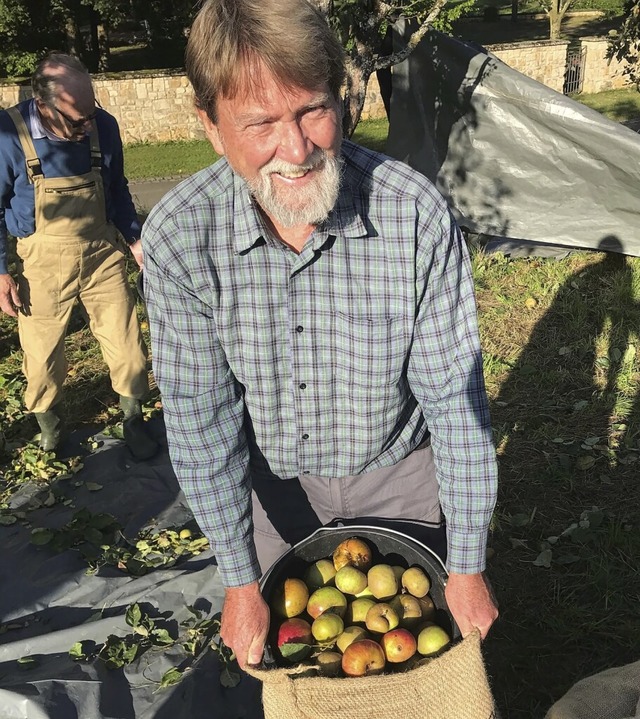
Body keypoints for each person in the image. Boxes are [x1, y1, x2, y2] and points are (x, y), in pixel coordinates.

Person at [142, 0, 499, 671]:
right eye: (260, 124)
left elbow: (455, 400)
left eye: (313, 109)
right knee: (301, 669)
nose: (298, 149)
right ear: (211, 127)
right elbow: (201, 418)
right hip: (272, 489)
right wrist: (241, 579)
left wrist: (468, 562)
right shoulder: (181, 238)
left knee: (415, 680)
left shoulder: (413, 215)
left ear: (343, 95)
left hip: (402, 478)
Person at [0, 52, 158, 460]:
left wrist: (135, 239)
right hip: (41, 262)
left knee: (128, 347)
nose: (88, 125)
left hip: (103, 253)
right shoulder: (7, 135)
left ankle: (133, 418)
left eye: (92, 112)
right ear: (42, 105)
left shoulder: (102, 126)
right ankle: (51, 429)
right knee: (41, 357)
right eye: (76, 120)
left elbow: (117, 188)